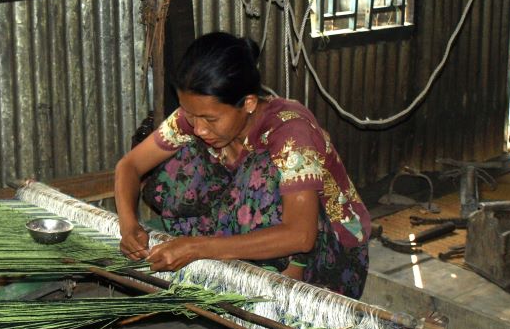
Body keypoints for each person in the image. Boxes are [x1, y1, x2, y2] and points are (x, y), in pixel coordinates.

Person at [115, 31, 371, 299]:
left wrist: (197, 248)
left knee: (260, 171)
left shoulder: (290, 130)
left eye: (210, 119)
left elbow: (301, 235)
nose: (199, 127)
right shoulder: (195, 118)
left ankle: (278, 287)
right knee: (184, 156)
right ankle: (226, 258)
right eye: (190, 114)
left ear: (248, 103)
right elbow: (130, 166)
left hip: (330, 255)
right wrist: (128, 224)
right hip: (248, 226)